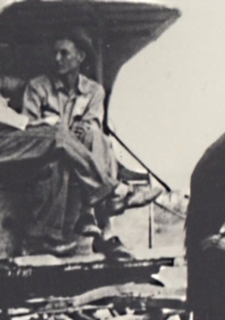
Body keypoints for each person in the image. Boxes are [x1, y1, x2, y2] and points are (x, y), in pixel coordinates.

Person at [0, 40, 158, 259]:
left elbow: (3, 86)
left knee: (73, 144)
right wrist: (25, 123)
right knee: (57, 136)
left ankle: (50, 235)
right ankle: (113, 193)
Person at [22, 28, 162, 259]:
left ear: (81, 57)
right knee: (81, 144)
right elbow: (29, 128)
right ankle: (107, 214)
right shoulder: (38, 87)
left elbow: (91, 124)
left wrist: (74, 133)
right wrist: (62, 131)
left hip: (81, 156)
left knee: (97, 137)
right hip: (43, 155)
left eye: (64, 53)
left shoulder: (94, 90)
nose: (58, 59)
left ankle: (92, 214)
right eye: (55, 53)